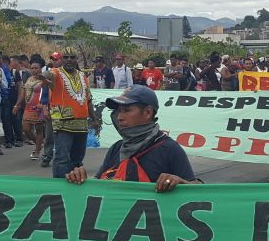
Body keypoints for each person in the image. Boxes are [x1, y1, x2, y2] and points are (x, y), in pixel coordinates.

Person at [66, 85, 200, 190]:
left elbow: (198, 191)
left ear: (148, 112)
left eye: (127, 110)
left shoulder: (169, 149)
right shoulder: (117, 148)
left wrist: (180, 182)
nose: (119, 117)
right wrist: (81, 178)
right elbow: (99, 183)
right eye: (118, 111)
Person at [44, 48, 94, 178]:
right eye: (66, 57)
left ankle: (75, 186)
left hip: (82, 124)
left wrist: (95, 119)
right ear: (61, 59)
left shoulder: (83, 76)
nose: (69, 60)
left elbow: (88, 99)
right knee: (62, 158)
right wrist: (43, 77)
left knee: (77, 160)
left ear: (76, 59)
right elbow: (48, 75)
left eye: (72, 57)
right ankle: (60, 190)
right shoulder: (56, 72)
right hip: (62, 124)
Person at [15, 58, 47, 161]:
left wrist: (43, 104)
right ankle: (39, 143)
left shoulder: (44, 79)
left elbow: (47, 93)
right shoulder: (30, 79)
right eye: (32, 68)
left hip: (39, 108)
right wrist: (17, 104)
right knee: (26, 129)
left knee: (39, 129)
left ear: (40, 69)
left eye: (36, 68)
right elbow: (23, 92)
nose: (34, 70)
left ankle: (37, 150)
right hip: (28, 108)